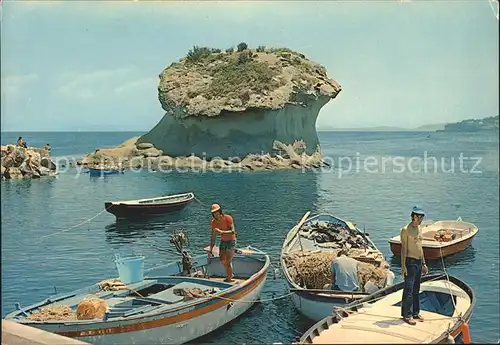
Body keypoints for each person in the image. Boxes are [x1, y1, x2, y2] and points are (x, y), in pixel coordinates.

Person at [400, 205, 429, 325]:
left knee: (417, 289)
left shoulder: (419, 228)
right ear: (414, 216)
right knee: (409, 289)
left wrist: (424, 263)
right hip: (410, 262)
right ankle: (407, 315)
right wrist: (403, 266)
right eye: (420, 217)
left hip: (418, 261)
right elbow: (403, 249)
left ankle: (416, 312)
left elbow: (420, 247)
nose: (421, 219)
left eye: (422, 217)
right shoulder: (406, 230)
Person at [209, 203, 237, 282]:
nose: (216, 214)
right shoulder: (213, 223)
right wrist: (211, 248)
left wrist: (221, 232)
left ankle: (229, 278)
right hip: (223, 241)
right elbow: (213, 237)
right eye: (214, 213)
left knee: (228, 261)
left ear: (220, 211)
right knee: (222, 260)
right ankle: (230, 273)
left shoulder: (228, 218)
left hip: (231, 241)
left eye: (217, 212)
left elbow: (233, 231)